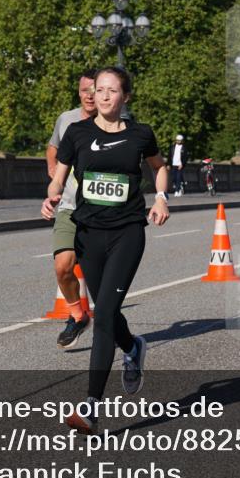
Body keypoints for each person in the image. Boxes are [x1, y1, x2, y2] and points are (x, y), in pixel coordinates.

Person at [42, 67, 170, 434]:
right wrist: (51, 195)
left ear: (125, 96)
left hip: (127, 231)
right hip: (88, 233)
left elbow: (160, 168)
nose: (104, 96)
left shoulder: (140, 134)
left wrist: (160, 199)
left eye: (112, 91)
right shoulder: (77, 133)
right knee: (110, 315)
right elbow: (60, 175)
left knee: (104, 314)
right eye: (99, 90)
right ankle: (132, 349)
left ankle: (91, 406)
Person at [46, 70, 97, 343]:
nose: (88, 95)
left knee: (101, 276)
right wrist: (54, 173)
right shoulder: (67, 119)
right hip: (69, 205)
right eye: (83, 90)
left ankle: (115, 328)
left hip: (102, 209)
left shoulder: (116, 121)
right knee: (62, 267)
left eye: (94, 89)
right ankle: (78, 316)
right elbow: (52, 148)